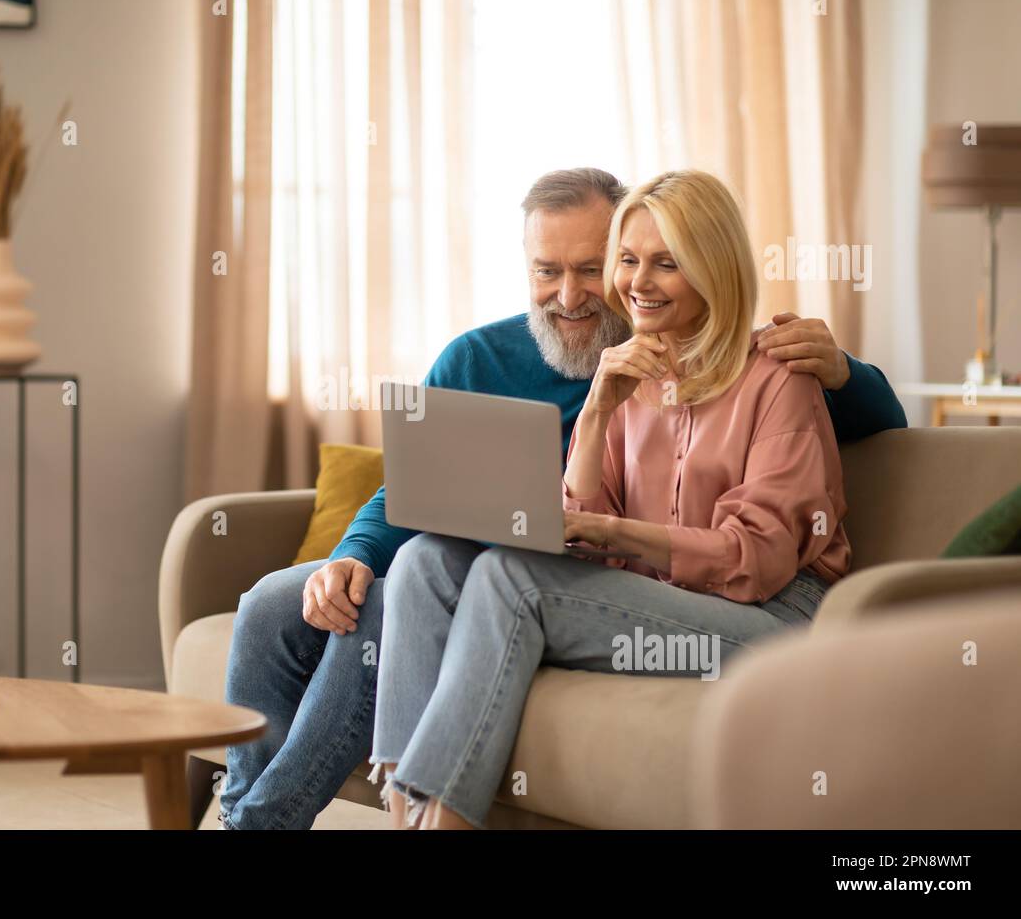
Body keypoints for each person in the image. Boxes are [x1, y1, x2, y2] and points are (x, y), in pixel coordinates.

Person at [219, 167, 905, 830]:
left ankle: (358, 820)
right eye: (551, 270)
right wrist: (356, 553)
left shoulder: (770, 370)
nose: (578, 294)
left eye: (602, 267)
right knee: (347, 582)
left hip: (713, 598)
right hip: (547, 569)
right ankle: (355, 816)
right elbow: (430, 488)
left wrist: (847, 370)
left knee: (459, 587)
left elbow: (843, 455)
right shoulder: (530, 364)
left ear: (710, 267)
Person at [371, 169, 853, 829]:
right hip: (665, 601)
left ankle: (442, 824)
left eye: (666, 263)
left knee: (512, 579)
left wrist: (615, 533)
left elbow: (756, 561)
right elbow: (580, 531)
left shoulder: (778, 381)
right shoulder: (629, 377)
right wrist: (597, 410)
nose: (637, 282)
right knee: (426, 561)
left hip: (773, 620)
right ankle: (403, 810)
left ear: (714, 270)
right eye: (626, 261)